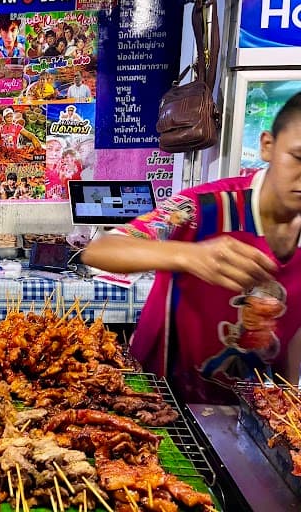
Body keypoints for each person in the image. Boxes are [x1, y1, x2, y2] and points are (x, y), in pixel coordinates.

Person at [82, 93, 301, 404]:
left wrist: (290, 397)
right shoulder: (202, 208)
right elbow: (102, 249)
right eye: (299, 158)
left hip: (251, 412)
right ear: (267, 145)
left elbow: (294, 326)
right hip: (163, 396)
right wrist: (188, 255)